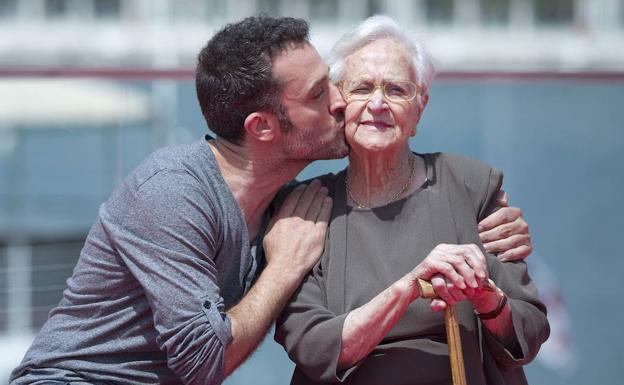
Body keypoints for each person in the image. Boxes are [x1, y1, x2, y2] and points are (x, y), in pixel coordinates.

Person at [10, 16, 532, 385]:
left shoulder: (288, 201)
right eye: (318, 95)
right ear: (261, 128)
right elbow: (204, 360)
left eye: (331, 85)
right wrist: (282, 269)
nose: (340, 102)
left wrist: (500, 226)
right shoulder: (172, 193)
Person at [275, 16, 549, 385]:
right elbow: (313, 346)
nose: (377, 103)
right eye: (362, 88)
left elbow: (529, 332)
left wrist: (487, 299)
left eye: (396, 90)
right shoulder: (307, 207)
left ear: (419, 108)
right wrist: (410, 287)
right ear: (339, 102)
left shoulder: (471, 186)